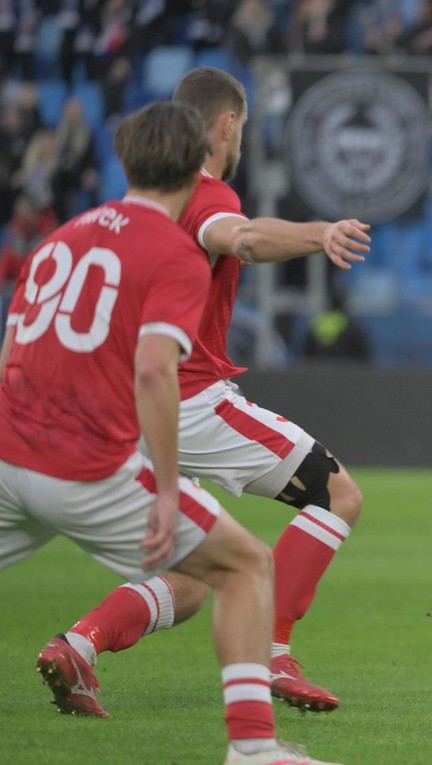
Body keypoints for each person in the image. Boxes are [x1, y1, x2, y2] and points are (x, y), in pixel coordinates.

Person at [0, 101, 339, 765]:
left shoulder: (56, 240)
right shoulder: (176, 255)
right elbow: (156, 373)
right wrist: (162, 489)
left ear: (123, 161)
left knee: (197, 574)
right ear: (195, 168)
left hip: (10, 456)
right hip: (87, 468)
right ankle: (253, 748)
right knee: (245, 563)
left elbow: (13, 352)